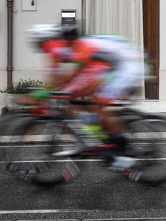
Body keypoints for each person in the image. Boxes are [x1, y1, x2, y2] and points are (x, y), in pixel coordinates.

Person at [25, 24, 145, 172]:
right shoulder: (63, 49)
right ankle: (87, 138)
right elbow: (60, 76)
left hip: (128, 65)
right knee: (76, 100)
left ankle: (122, 150)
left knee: (98, 100)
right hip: (114, 63)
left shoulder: (75, 47)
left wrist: (41, 93)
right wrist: (48, 91)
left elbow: (68, 76)